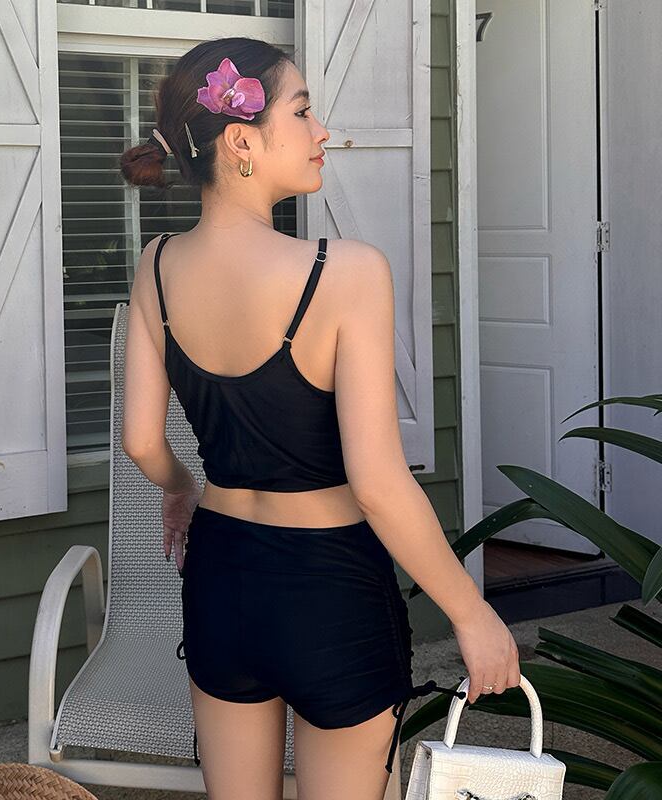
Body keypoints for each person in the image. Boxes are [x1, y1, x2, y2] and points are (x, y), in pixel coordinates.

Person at [119, 36, 521, 800]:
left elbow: (142, 440)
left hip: (221, 578)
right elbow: (378, 483)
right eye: (302, 111)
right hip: (330, 591)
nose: (321, 130)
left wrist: (180, 488)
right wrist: (472, 615)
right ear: (241, 141)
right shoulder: (348, 273)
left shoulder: (157, 264)